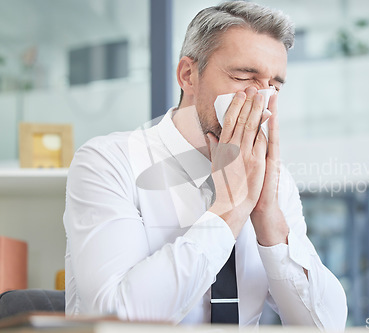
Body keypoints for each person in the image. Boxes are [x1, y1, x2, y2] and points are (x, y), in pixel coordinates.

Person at [63, 1, 347, 329]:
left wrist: (269, 217)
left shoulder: (273, 183)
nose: (261, 100)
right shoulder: (108, 162)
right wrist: (229, 209)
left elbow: (325, 326)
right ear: (188, 75)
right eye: (244, 77)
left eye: (275, 87)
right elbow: (116, 318)